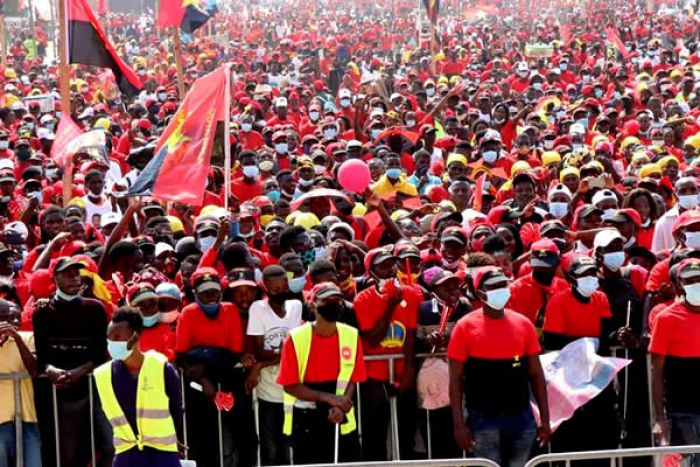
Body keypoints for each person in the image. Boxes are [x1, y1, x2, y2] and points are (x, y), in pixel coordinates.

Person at [448, 266, 550, 467]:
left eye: (503, 285)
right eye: (493, 287)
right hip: (482, 417)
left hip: (521, 416)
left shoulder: (523, 324)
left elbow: (536, 374)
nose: (500, 290)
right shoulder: (464, 326)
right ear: (480, 293)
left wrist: (545, 420)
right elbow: (455, 380)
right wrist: (459, 425)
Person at [32, 257, 113, 467]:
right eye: (68, 273)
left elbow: (99, 352)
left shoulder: (95, 308)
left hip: (89, 387)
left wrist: (78, 372)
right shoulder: (42, 311)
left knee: (101, 444)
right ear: (55, 278)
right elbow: (42, 355)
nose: (74, 278)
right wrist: (51, 371)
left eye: (77, 273)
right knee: (59, 447)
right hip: (55, 391)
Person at [277, 282, 366, 464]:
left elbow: (353, 378)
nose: (334, 305)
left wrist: (340, 405)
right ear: (313, 304)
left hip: (340, 412)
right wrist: (328, 398)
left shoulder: (351, 335)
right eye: (328, 301)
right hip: (307, 415)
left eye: (337, 301)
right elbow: (290, 385)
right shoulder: (295, 338)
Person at [93, 306, 183, 466]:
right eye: (109, 337)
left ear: (134, 338)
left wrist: (174, 439)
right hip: (126, 456)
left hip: (162, 454)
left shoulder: (162, 367)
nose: (111, 343)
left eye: (117, 337)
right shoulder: (103, 375)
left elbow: (175, 408)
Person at [245, 265, 303, 465]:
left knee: (291, 447)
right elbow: (261, 350)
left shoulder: (296, 306)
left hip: (294, 390)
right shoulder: (258, 309)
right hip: (268, 391)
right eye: (275, 289)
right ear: (266, 288)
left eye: (283, 287)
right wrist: (265, 359)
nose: (280, 292)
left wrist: (260, 365)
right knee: (270, 448)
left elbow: (297, 351)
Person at [650, 258, 700, 466]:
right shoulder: (666, 318)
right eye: (691, 280)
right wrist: (660, 418)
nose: (697, 284)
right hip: (683, 410)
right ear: (679, 284)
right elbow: (657, 372)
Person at [0, 298, 41, 467]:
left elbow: (34, 370)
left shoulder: (28, 337)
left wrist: (16, 338)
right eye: (9, 318)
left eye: (18, 317)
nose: (15, 322)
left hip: (27, 419)